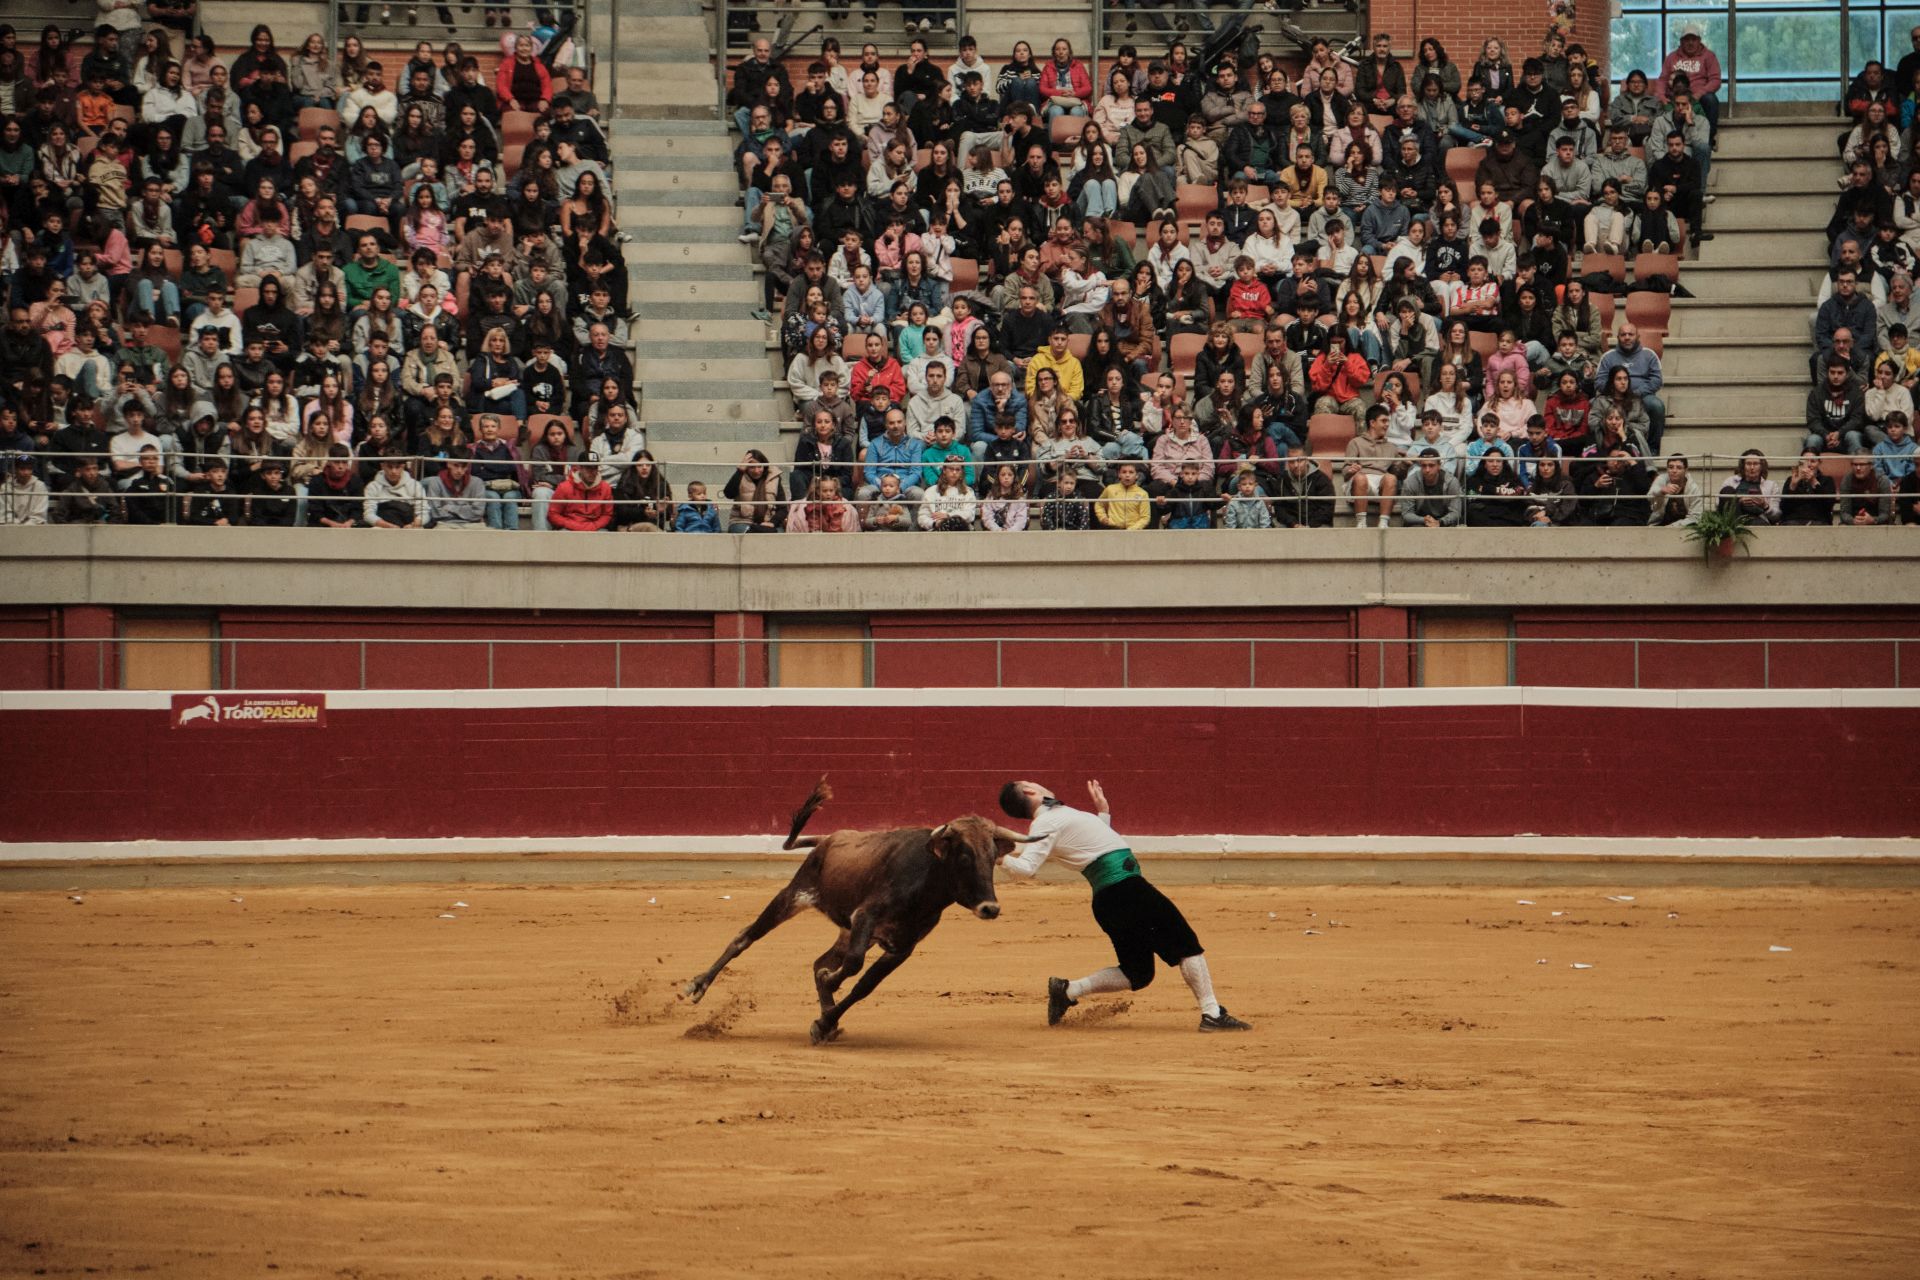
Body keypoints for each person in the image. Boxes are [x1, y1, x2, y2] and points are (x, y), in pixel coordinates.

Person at [997, 779, 1251, 1033]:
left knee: (1137, 973)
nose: (1039, 784)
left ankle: (1068, 990)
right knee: (1186, 944)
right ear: (1030, 791)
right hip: (1126, 890)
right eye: (1032, 782)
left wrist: (1103, 813)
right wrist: (1000, 857)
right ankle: (1212, 1013)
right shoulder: (1047, 822)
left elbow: (1094, 843)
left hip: (1111, 898)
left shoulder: (1056, 817)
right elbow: (1027, 869)